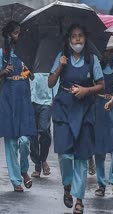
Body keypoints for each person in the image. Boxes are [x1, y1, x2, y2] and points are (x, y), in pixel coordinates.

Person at [48, 24, 104, 214]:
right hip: (63, 107)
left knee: (81, 156)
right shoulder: (62, 57)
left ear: (85, 38)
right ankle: (67, 186)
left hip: (85, 109)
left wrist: (86, 90)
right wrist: (59, 67)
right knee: (64, 154)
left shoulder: (92, 59)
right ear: (69, 40)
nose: (77, 39)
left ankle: (79, 199)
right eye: (74, 36)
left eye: (80, 36)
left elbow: (101, 85)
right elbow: (50, 82)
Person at [0, 21, 36, 192]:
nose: (18, 36)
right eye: (15, 33)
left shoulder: (26, 51)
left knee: (24, 141)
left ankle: (23, 169)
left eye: (19, 32)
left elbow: (35, 76)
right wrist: (2, 72)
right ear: (8, 35)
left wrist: (30, 70)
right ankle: (16, 180)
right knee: (11, 142)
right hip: (7, 97)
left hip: (23, 96)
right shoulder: (2, 53)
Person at [93, 46, 113, 197]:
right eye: (106, 50)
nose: (109, 53)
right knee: (99, 150)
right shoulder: (94, 67)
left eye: (112, 50)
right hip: (98, 108)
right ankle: (101, 184)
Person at [30, 37, 60, 178]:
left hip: (47, 99)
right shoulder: (31, 48)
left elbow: (57, 76)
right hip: (33, 96)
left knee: (44, 130)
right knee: (33, 134)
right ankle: (38, 164)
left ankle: (43, 159)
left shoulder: (58, 49)